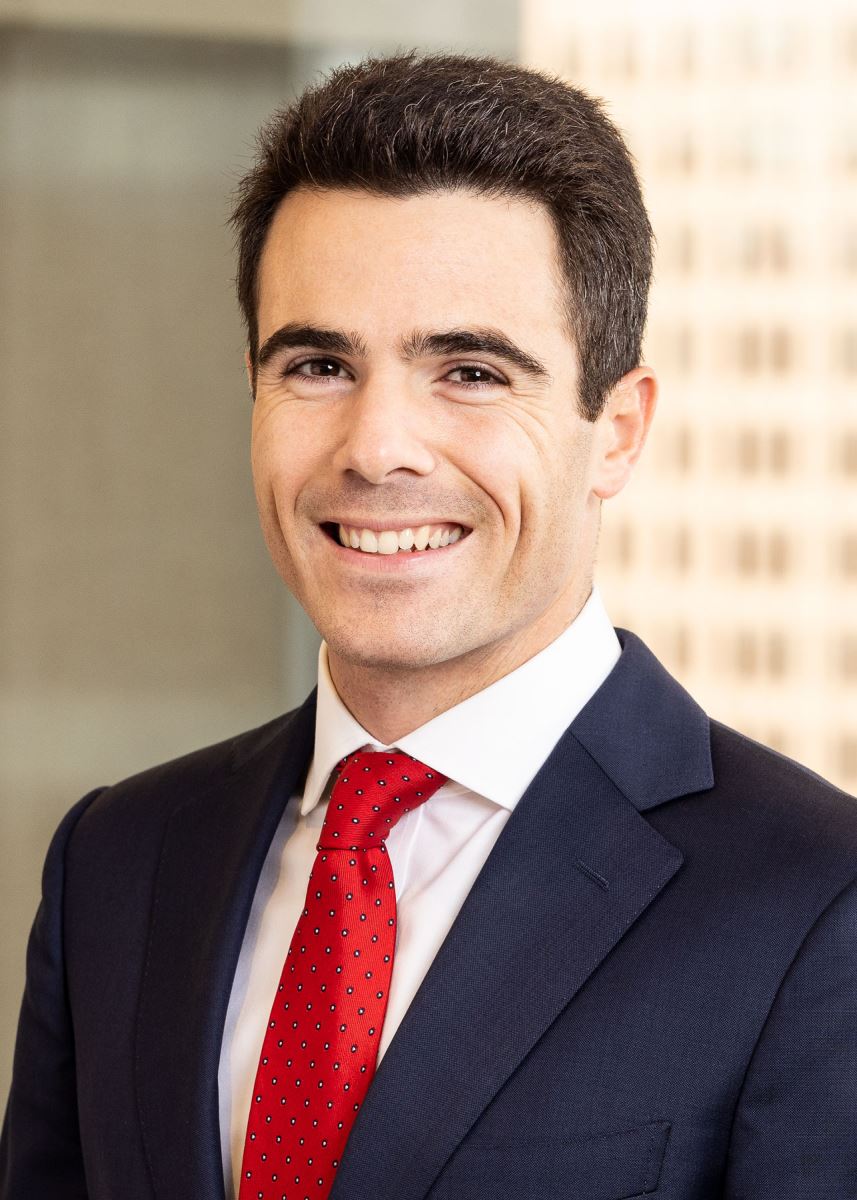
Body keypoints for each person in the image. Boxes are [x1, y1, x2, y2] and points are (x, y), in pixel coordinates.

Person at [2, 49, 856, 1200]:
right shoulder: (118, 859)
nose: (375, 447)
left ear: (615, 430)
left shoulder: (815, 906)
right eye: (317, 364)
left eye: (468, 371)